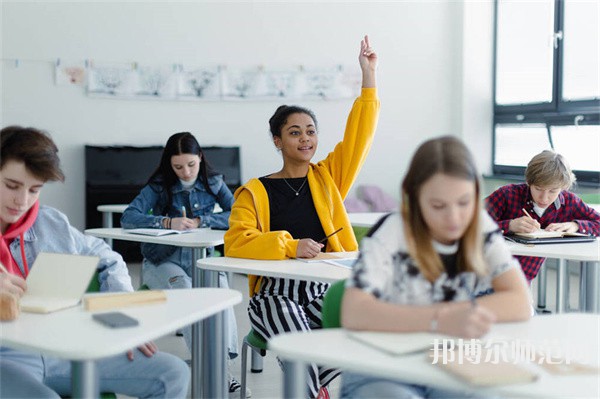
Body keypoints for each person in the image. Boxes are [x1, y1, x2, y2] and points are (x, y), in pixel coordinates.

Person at [224, 35, 379, 399]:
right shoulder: (255, 191)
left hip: (322, 288)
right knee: (300, 340)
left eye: (310, 132)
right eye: (294, 133)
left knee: (366, 328)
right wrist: (289, 246)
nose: (305, 139)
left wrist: (369, 76)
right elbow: (236, 241)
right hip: (274, 294)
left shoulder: (328, 179)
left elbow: (360, 135)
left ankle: (308, 382)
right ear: (277, 141)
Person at [0, 125, 189, 398]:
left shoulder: (51, 222)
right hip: (7, 357)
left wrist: (120, 317)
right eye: (12, 186)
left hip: (63, 345)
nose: (23, 201)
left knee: (173, 373)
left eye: (35, 190)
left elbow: (107, 258)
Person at [339, 136, 532, 398]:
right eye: (438, 206)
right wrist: (440, 320)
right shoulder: (392, 231)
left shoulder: (480, 225)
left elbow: (520, 302)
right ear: (414, 198)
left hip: (449, 362)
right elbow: (354, 312)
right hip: (380, 368)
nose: (454, 218)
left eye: (464, 203)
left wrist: (452, 319)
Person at [119, 131, 243, 395]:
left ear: (200, 158)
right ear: (169, 165)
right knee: (188, 294)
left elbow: (240, 216)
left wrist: (203, 221)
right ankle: (213, 370)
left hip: (203, 259)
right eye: (178, 167)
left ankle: (220, 369)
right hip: (163, 261)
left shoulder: (214, 182)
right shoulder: (158, 185)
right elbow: (128, 217)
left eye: (191, 165)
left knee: (222, 298)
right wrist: (165, 221)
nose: (185, 172)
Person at [485, 150, 600, 282]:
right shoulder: (507, 195)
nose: (544, 198)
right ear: (529, 182)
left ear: (563, 187)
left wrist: (575, 225)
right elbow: (470, 226)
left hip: (521, 281)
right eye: (538, 189)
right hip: (484, 272)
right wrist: (509, 225)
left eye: (552, 191)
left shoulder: (569, 202)